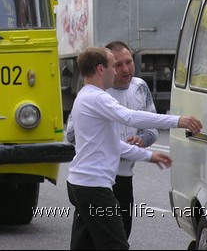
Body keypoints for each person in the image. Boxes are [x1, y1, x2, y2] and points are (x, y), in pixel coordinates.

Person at [66, 46, 202, 250]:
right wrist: (178, 120)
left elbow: (114, 145)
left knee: (85, 245)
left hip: (80, 184)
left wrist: (149, 156)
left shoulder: (84, 96)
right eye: (114, 66)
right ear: (100, 70)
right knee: (116, 245)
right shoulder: (97, 98)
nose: (118, 71)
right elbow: (129, 116)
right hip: (94, 189)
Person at [67, 41, 159, 239]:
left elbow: (152, 129)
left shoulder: (140, 87)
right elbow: (72, 134)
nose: (125, 69)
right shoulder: (98, 92)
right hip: (97, 180)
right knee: (110, 242)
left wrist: (142, 140)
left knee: (120, 234)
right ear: (104, 69)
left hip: (124, 178)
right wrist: (106, 141)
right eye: (118, 65)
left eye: (129, 62)